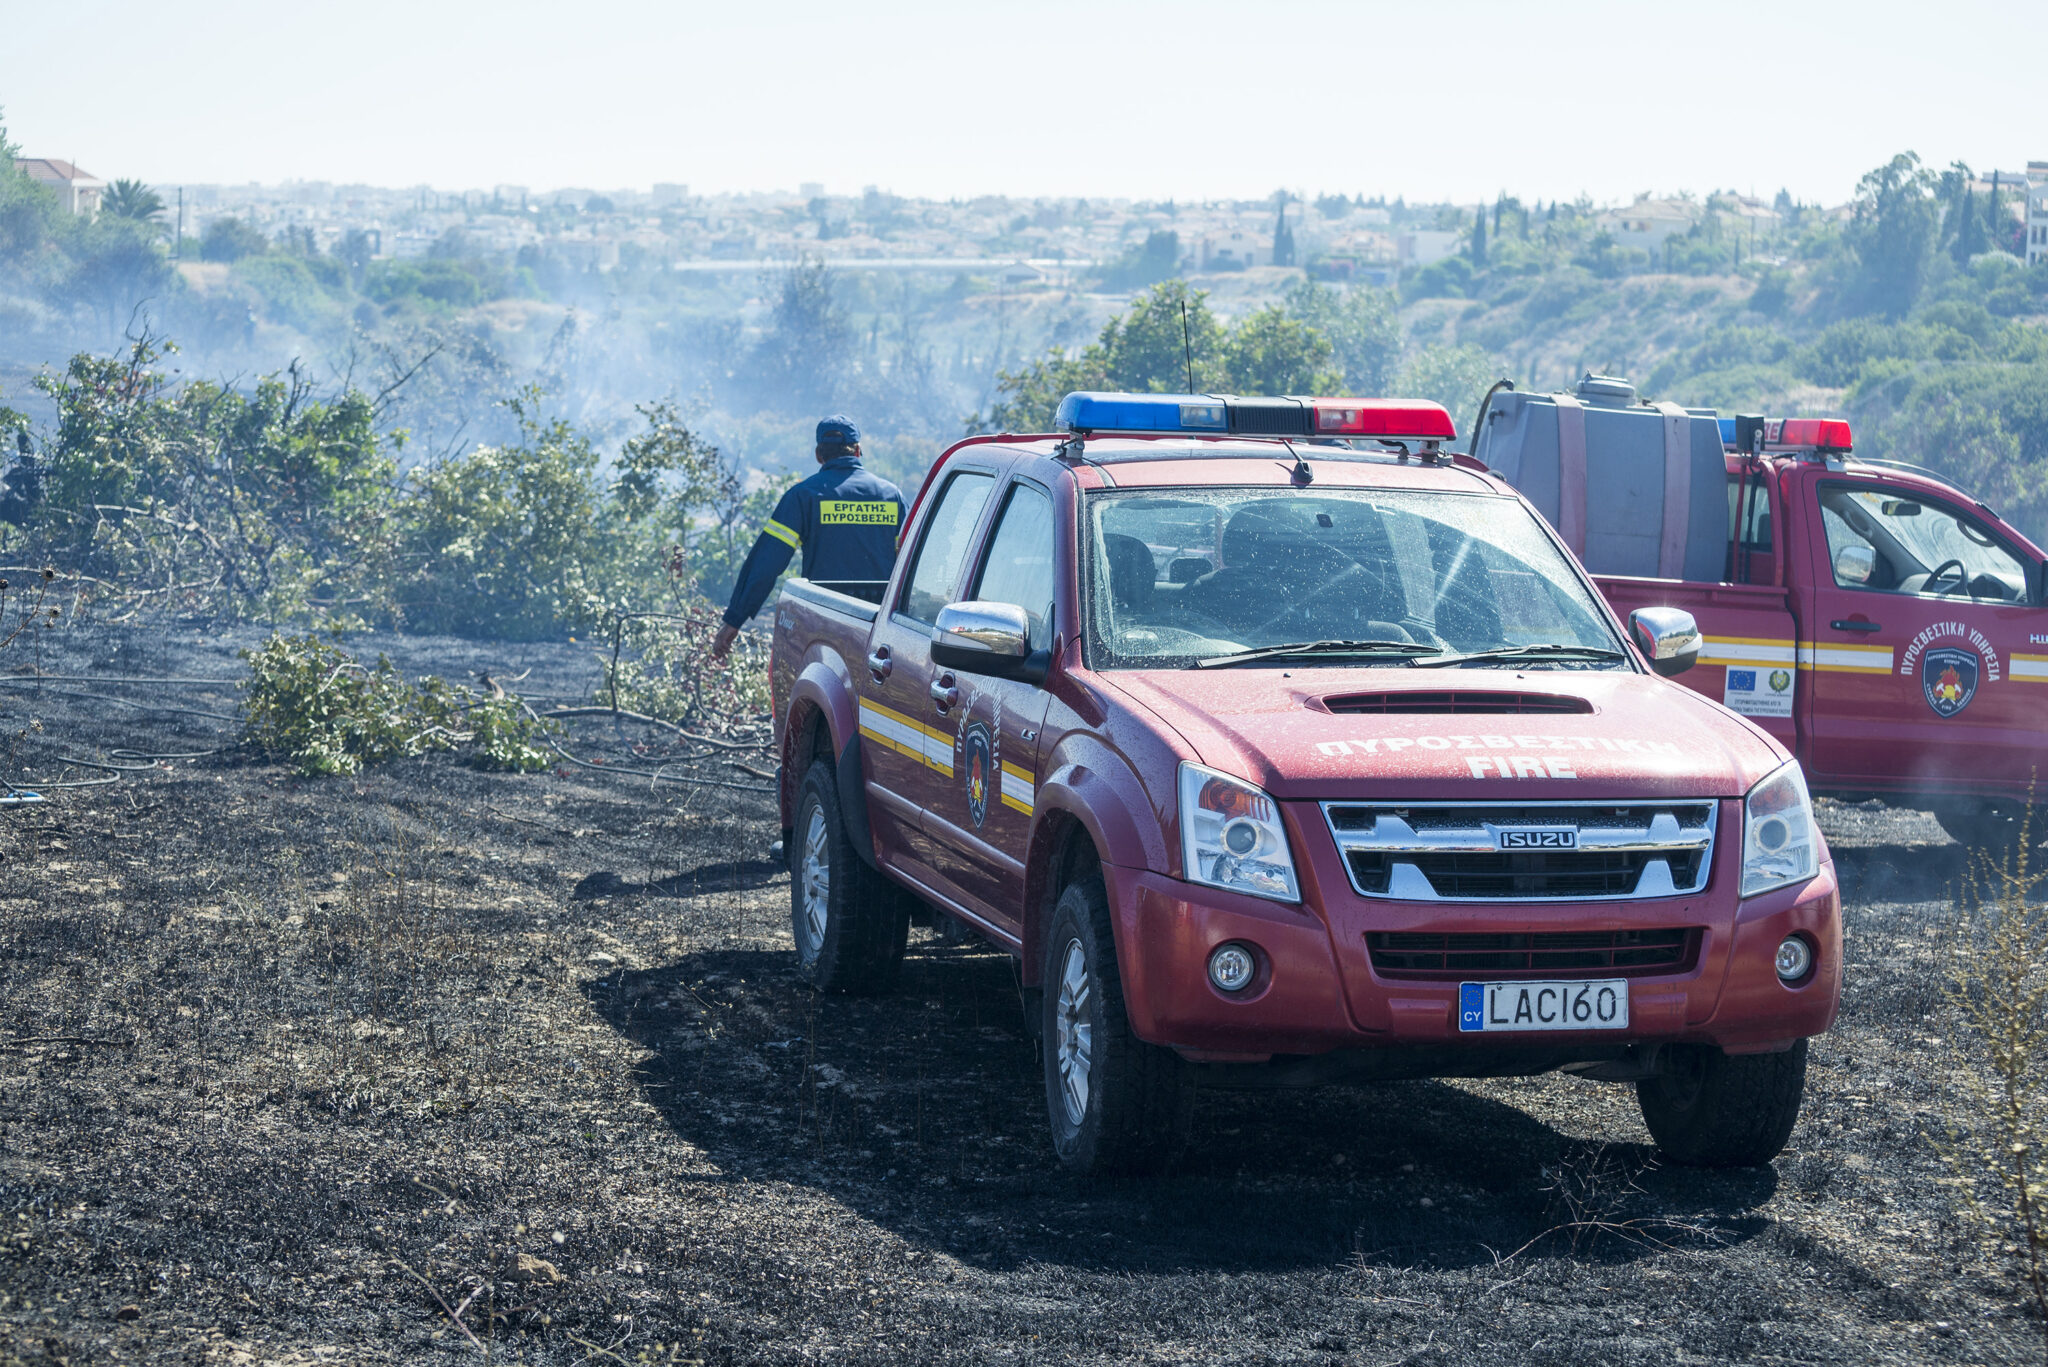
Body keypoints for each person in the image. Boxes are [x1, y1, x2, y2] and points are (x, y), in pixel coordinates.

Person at [711, 415, 905, 661]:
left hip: (825, 628)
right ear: (857, 451)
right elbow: (914, 564)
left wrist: (733, 620)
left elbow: (766, 563)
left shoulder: (803, 496)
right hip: (881, 633)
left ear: (818, 455)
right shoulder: (892, 496)